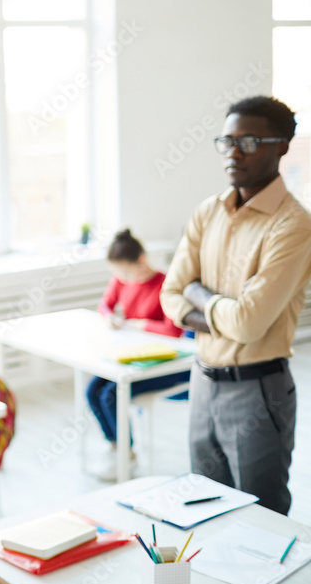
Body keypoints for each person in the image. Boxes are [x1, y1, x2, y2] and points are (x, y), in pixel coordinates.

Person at [161, 95, 311, 515]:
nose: (232, 152)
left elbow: (248, 324)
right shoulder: (208, 211)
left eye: (248, 141)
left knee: (260, 516)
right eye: (226, 141)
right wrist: (218, 309)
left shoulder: (293, 223)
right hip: (203, 381)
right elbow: (168, 295)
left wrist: (198, 294)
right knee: (204, 505)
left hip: (258, 391)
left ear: (281, 146)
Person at [86, 229, 190, 481]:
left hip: (164, 362)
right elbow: (105, 305)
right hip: (131, 356)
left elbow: (173, 330)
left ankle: (126, 454)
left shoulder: (166, 285)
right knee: (92, 391)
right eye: (118, 273)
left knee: (112, 394)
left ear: (141, 260)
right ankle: (116, 446)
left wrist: (136, 324)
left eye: (125, 271)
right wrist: (109, 316)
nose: (122, 277)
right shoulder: (121, 281)